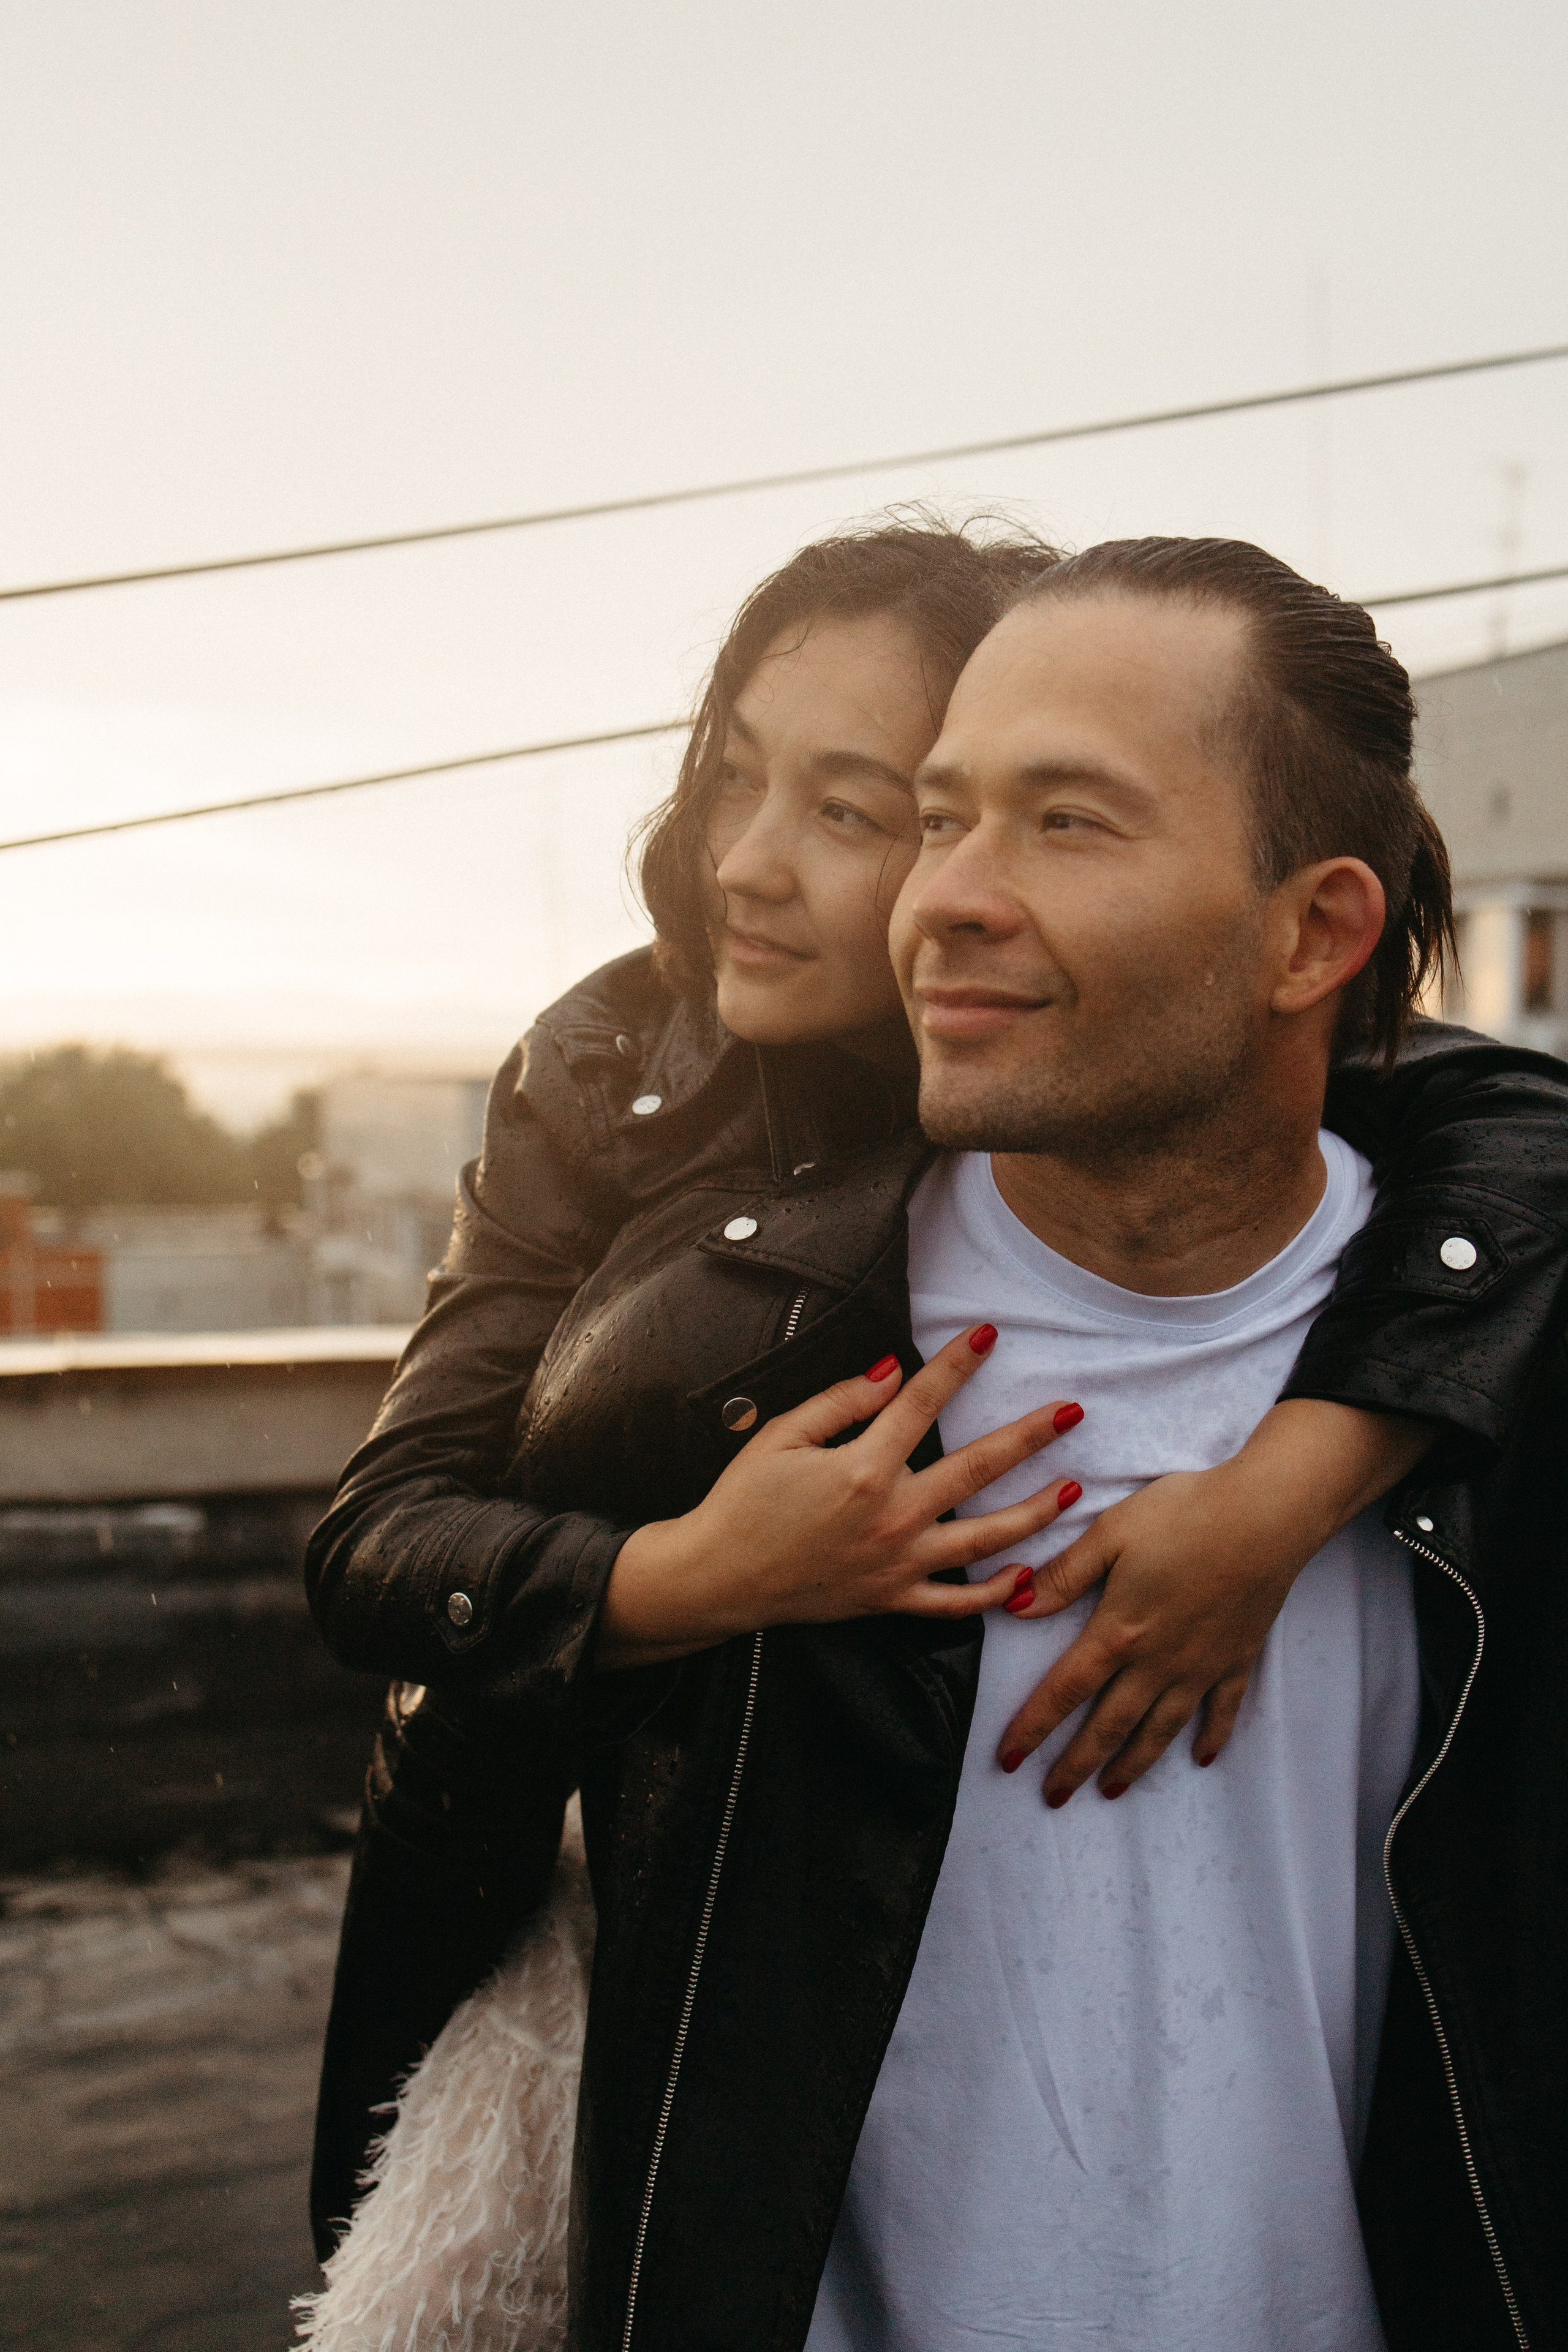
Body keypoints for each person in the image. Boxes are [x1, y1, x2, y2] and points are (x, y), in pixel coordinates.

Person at [306, 530, 1567, 2347]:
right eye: (946, 814)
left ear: (1317, 933)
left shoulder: (1450, 1267)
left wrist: (1305, 1468)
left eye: (1056, 819)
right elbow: (385, 1543)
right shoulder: (691, 1262)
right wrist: (685, 1577)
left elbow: (1492, 1113)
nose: (770, 867)